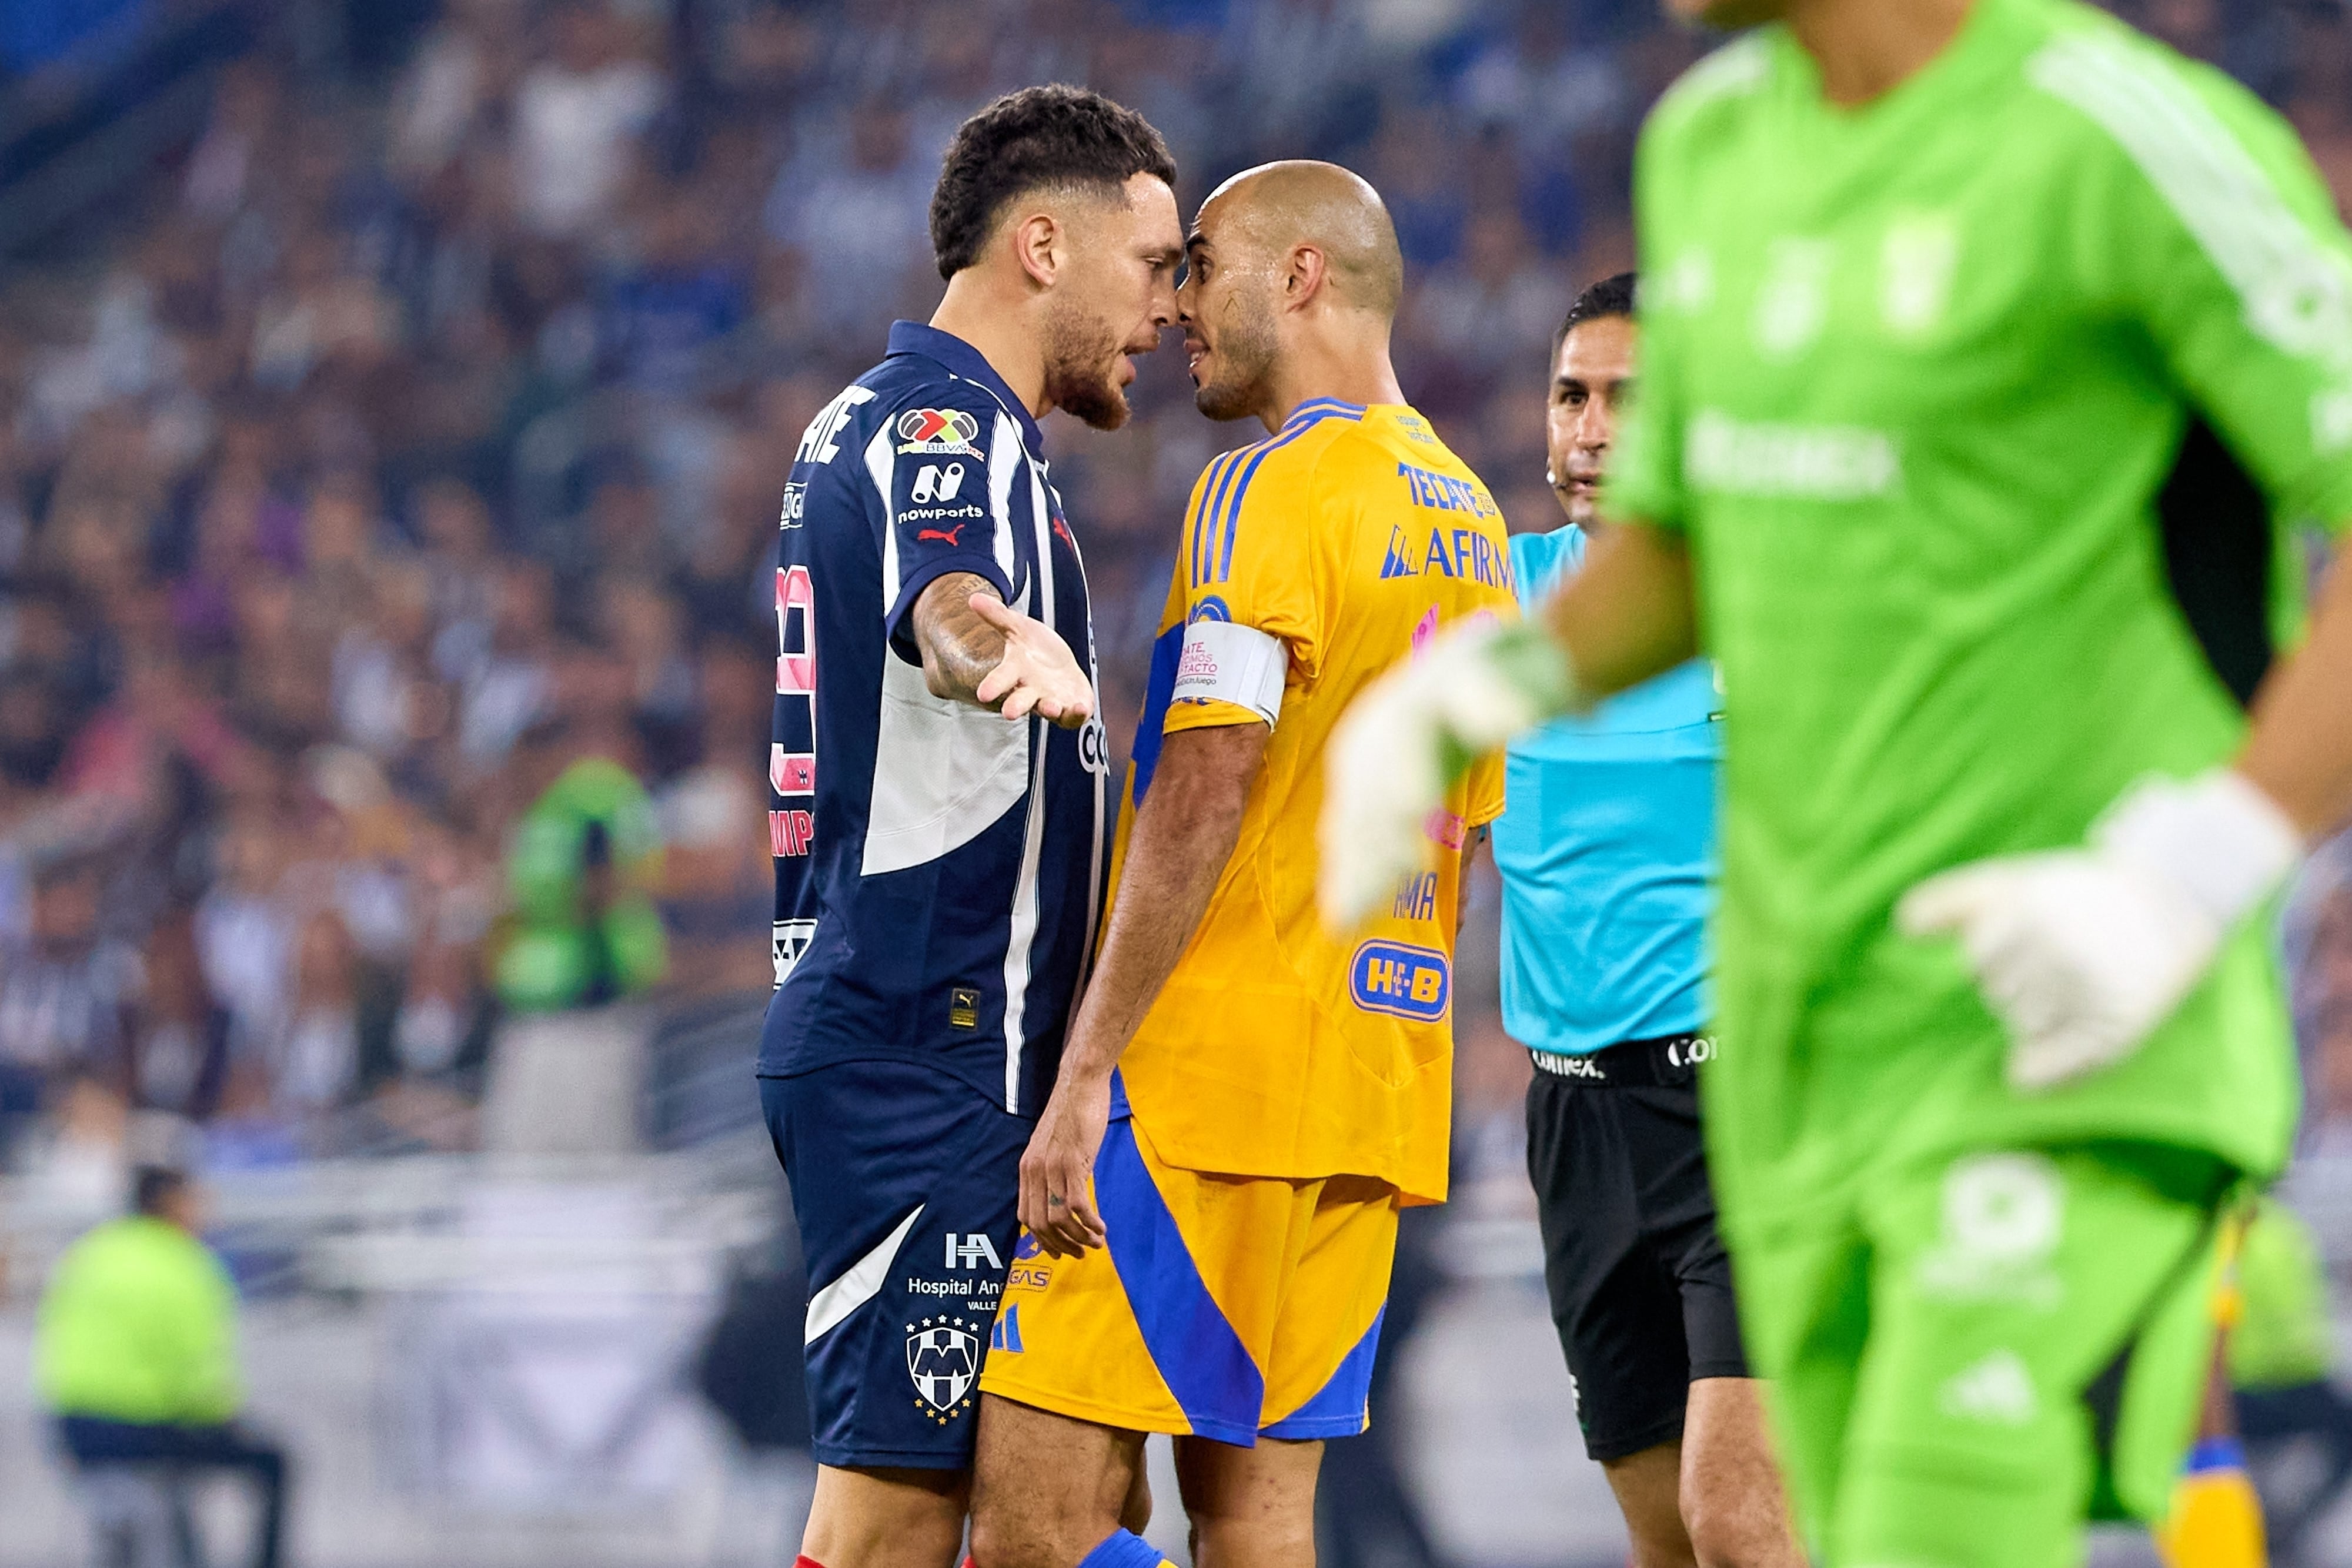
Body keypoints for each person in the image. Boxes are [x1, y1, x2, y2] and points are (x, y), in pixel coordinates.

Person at [1320, 0, 2352, 1562]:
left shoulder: (2116, 138)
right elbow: (1684, 546)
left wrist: (2194, 869)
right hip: (1807, 1071)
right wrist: (1467, 700)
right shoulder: (1718, 143)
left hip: (2052, 1028)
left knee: (1883, 1524)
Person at [967, 161, 1515, 1568]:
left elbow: (1209, 778)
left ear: (1302, 276)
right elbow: (1465, 837)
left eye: (1199, 268)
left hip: (1202, 1086)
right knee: (1257, 1530)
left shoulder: (1265, 488)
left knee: (1029, 1525)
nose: (1178, 306)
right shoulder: (1475, 522)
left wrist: (1085, 1077)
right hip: (1370, 1095)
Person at [756, 85, 1182, 1568]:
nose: (1171, 310)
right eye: (1156, 266)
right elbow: (943, 601)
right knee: (893, 1529)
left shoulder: (888, 421)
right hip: (922, 1053)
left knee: (1074, 1508)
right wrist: (993, 643)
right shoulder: (950, 429)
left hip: (925, 1044)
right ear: (1046, 246)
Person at [1495, 271, 1802, 1568]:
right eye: (1570, 393)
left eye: (1630, 397)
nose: (1590, 430)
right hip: (1571, 1123)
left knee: (1736, 1525)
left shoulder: (1771, 605)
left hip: (1740, 1108)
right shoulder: (1489, 596)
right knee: (1667, 1545)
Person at [38, 1166, 289, 1568]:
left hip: (74, 1426)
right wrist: (227, 1420)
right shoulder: (187, 1263)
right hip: (143, 1427)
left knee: (175, 1486)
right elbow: (201, 1383)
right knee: (275, 1460)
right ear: (173, 1204)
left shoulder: (89, 1252)